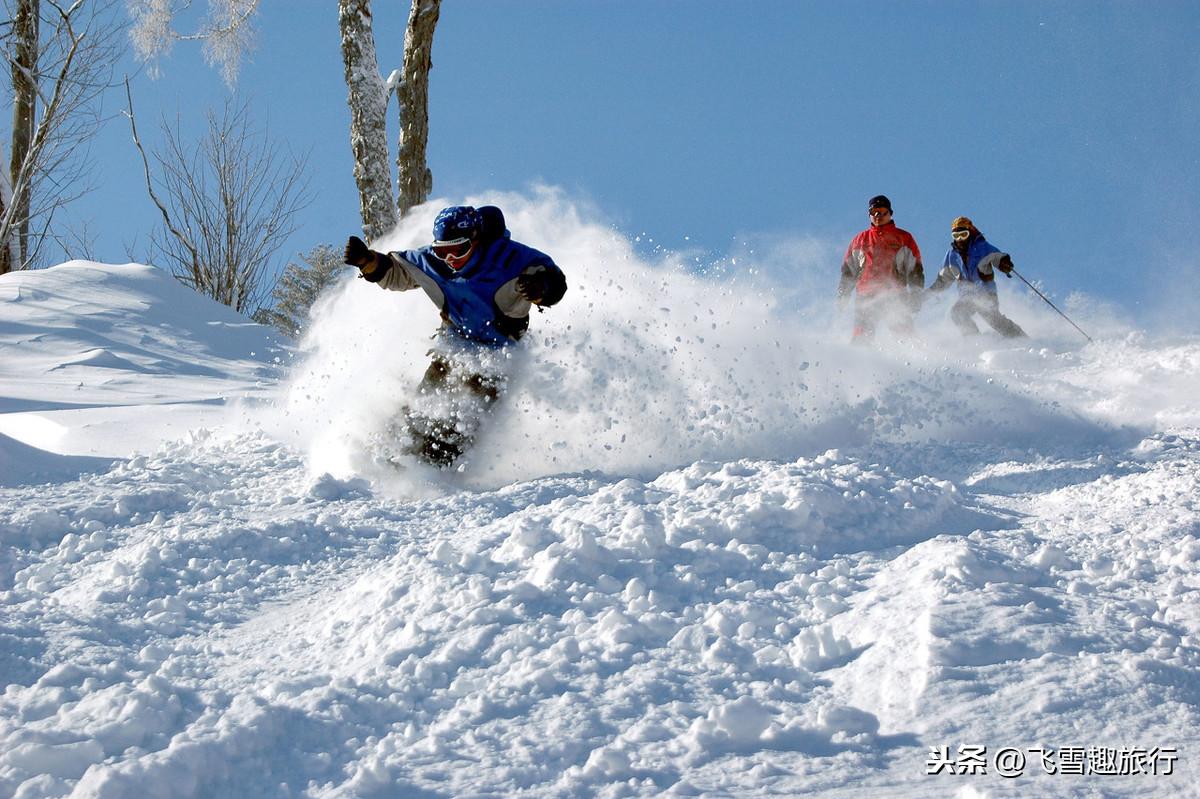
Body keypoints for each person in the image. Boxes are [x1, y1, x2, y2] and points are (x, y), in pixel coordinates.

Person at [343, 205, 567, 467]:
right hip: (454, 347)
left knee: (464, 416)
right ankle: (384, 454)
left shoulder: (509, 258)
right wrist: (368, 262)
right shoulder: (434, 262)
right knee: (424, 405)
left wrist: (542, 288)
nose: (450, 258)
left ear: (476, 238)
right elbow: (398, 271)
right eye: (442, 250)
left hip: (498, 357)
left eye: (457, 249)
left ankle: (429, 469)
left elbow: (554, 280)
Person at [837, 195, 925, 341]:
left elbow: (915, 269)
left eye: (882, 212)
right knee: (862, 335)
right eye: (874, 212)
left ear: (890, 213)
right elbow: (848, 271)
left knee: (904, 333)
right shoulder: (860, 240)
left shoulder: (903, 238)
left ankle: (915, 358)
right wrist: (843, 293)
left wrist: (916, 293)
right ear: (869, 215)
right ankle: (861, 360)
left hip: (894, 294)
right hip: (866, 295)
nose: (878, 216)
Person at [927, 216, 1026, 338]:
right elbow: (943, 280)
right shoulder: (952, 256)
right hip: (967, 296)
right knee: (957, 313)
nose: (960, 239)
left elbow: (997, 256)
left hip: (986, 294)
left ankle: (1020, 338)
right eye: (956, 236)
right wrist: (928, 293)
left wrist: (1004, 263)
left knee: (993, 319)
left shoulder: (981, 247)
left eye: (963, 234)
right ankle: (974, 341)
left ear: (970, 233)